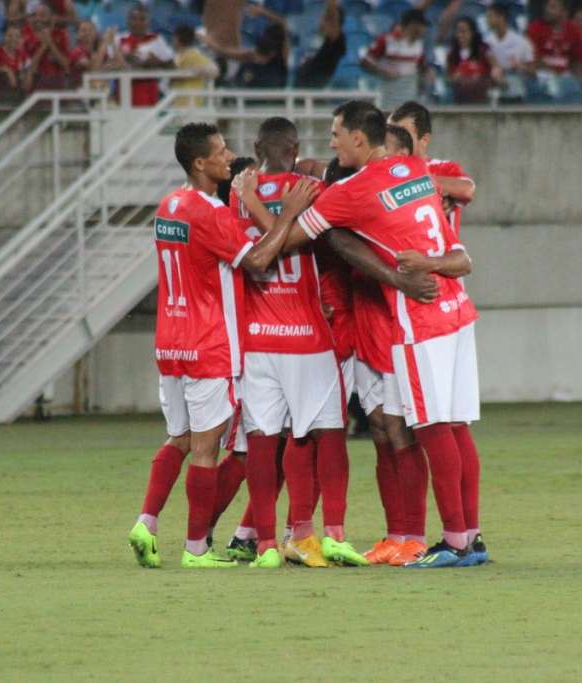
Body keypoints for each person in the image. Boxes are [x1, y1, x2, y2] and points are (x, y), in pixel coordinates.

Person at [286, 100, 482, 568]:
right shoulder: (415, 170)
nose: (332, 142)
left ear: (358, 138)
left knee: (430, 427)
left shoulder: (352, 190)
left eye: (336, 134)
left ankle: (453, 542)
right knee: (452, 426)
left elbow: (300, 236)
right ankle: (466, 538)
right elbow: (460, 251)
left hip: (417, 316)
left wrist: (284, 212)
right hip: (455, 307)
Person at [127, 122, 318, 569]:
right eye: (220, 152)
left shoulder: (169, 205)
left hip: (171, 340)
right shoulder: (209, 212)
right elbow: (259, 260)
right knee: (207, 450)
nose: (229, 156)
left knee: (179, 437)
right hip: (209, 342)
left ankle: (146, 522)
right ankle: (197, 549)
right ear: (200, 163)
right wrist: (289, 213)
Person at [229, 118, 366, 569]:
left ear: (255, 147)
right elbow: (292, 243)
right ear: (296, 147)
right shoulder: (309, 189)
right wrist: (286, 210)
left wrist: (252, 201)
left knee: (262, 440)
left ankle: (266, 544)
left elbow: (256, 252)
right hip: (307, 336)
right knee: (328, 433)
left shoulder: (238, 194)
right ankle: (331, 535)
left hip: (258, 338)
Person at [362, 8, 431, 108]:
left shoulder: (419, 45)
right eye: (423, 26)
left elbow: (421, 66)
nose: (425, 30)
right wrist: (382, 71)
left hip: (409, 98)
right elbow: (365, 61)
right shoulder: (387, 41)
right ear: (413, 25)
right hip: (388, 97)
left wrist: (428, 72)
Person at [115, 5, 175, 107]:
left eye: (142, 19)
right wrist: (126, 59)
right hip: (124, 97)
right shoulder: (119, 39)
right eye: (134, 19)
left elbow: (172, 66)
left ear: (148, 22)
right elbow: (109, 65)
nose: (137, 23)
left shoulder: (157, 40)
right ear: (128, 21)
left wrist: (157, 61)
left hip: (149, 97)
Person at [205, 20, 289, 89]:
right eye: (258, 54)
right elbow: (224, 52)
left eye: (262, 56)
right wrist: (209, 43)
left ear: (272, 54)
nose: (258, 60)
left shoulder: (280, 64)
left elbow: (284, 24)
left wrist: (263, 11)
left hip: (271, 101)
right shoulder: (250, 59)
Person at [484, 3, 535, 100]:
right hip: (493, 91)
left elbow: (533, 73)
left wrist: (520, 67)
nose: (487, 20)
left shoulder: (521, 42)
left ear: (501, 17)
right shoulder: (486, 42)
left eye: (490, 16)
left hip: (516, 90)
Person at [526, 0, 582, 74]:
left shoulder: (575, 32)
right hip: (540, 75)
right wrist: (552, 72)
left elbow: (579, 61)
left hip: (567, 77)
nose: (547, 10)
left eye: (553, 7)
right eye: (547, 6)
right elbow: (531, 59)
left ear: (564, 12)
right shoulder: (534, 28)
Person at [295, 0, 345, 89]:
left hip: (316, 89)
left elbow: (332, 15)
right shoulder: (319, 37)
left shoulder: (337, 40)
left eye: (325, 18)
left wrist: (331, 3)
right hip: (301, 88)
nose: (321, 19)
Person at [446, 16, 497, 104]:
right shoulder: (451, 54)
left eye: (464, 32)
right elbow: (448, 78)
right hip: (460, 97)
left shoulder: (484, 50)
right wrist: (455, 78)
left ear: (472, 32)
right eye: (458, 32)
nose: (460, 35)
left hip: (482, 95)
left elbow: (495, 68)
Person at [22, 2, 69, 90]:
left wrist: (50, 43)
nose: (38, 19)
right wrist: (44, 45)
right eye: (36, 15)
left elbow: (66, 65)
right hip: (36, 85)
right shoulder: (26, 36)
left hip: (57, 85)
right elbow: (31, 68)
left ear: (52, 17)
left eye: (42, 15)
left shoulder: (61, 34)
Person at [171, 24, 219, 105]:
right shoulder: (177, 56)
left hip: (191, 104)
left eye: (174, 38)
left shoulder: (193, 54)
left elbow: (214, 70)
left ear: (177, 39)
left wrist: (193, 71)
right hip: (177, 102)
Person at [68, 19, 109, 88]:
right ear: (77, 35)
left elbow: (118, 65)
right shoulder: (76, 52)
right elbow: (94, 70)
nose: (88, 33)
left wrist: (113, 43)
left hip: (98, 90)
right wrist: (104, 43)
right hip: (81, 92)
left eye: (91, 30)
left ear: (96, 33)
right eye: (83, 30)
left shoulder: (98, 52)